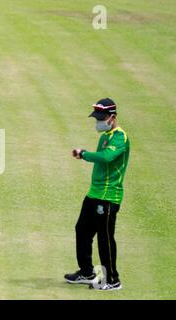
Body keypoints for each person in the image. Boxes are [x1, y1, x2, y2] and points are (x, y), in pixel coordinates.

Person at [65, 98, 130, 291]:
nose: (98, 122)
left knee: (105, 238)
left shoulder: (120, 137)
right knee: (82, 231)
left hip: (109, 197)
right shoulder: (104, 137)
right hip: (94, 194)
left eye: (101, 118)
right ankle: (87, 272)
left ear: (112, 117)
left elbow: (106, 157)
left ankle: (112, 280)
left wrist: (84, 154)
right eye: (96, 118)